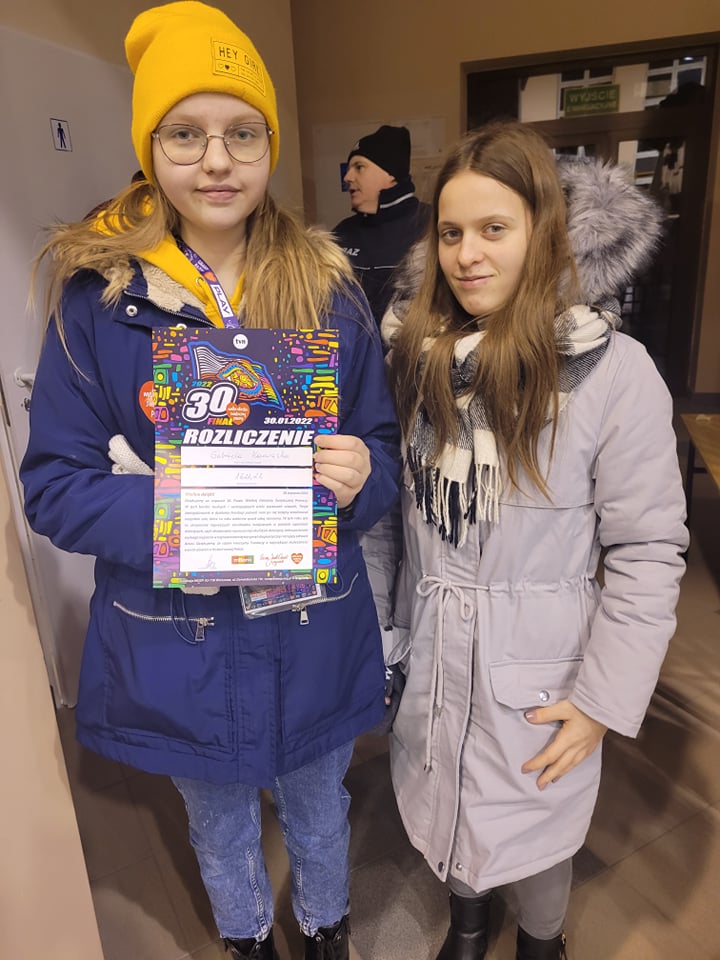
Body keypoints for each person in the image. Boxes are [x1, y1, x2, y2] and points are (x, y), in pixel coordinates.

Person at [20, 4, 400, 960]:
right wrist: (185, 514)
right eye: (185, 134)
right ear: (150, 148)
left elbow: (383, 450)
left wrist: (361, 476)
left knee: (319, 802)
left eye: (243, 133)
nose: (217, 161)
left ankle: (325, 931)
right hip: (178, 633)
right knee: (219, 818)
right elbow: (54, 485)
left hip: (310, 620)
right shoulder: (99, 301)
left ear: (270, 144)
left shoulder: (328, 290)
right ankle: (247, 940)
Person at [375, 121, 688, 959]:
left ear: (542, 231)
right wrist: (388, 638)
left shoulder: (612, 371)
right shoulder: (413, 361)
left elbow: (648, 548)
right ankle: (469, 923)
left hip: (542, 667)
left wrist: (602, 700)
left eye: (494, 229)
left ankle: (542, 942)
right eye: (451, 232)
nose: (467, 254)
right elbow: (390, 525)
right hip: (436, 648)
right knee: (448, 796)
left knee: (537, 824)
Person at [333, 124, 430, 330]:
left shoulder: (431, 224)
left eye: (359, 167)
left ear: (390, 174)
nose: (347, 177)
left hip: (408, 348)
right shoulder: (341, 233)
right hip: (350, 348)